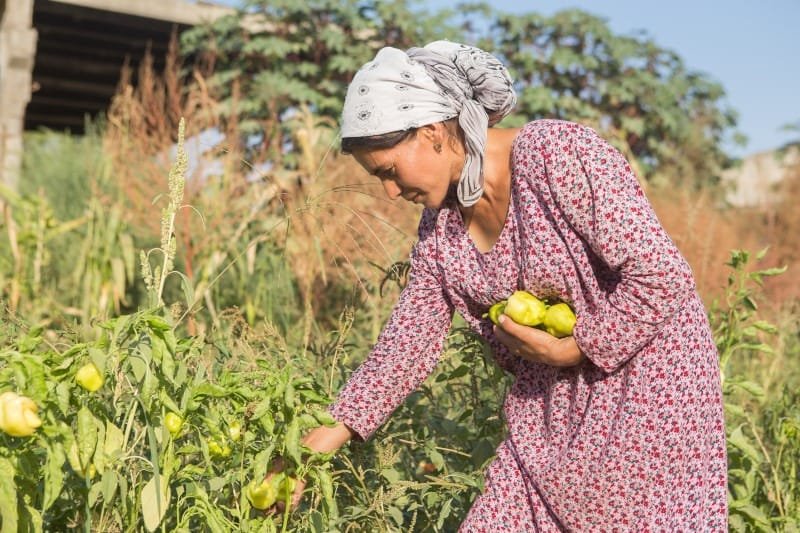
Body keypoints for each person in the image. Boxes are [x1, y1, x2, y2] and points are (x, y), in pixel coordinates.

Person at [290, 41, 728, 531]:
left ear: (434, 132)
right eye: (378, 179)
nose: (391, 192)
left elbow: (661, 273)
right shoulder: (441, 228)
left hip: (648, 407)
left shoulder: (556, 155)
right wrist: (315, 448)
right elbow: (405, 345)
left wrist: (577, 348)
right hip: (546, 423)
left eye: (390, 171)